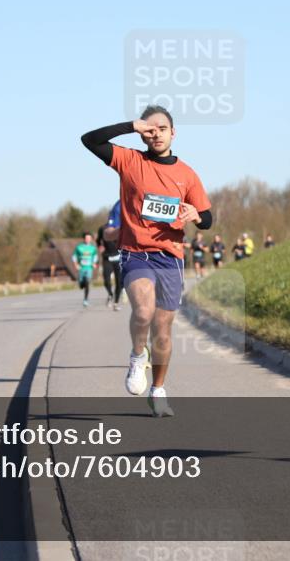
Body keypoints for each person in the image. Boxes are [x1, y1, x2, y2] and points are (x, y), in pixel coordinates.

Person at [81, 105, 213, 417]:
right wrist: (130, 126)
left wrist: (196, 215)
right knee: (143, 310)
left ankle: (158, 388)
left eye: (162, 129)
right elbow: (89, 140)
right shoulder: (130, 161)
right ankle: (137, 355)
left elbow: (207, 217)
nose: (156, 134)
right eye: (150, 130)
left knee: (163, 330)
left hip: (170, 256)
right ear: (144, 133)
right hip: (135, 252)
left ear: (173, 133)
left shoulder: (187, 174)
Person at [97, 200, 124, 311]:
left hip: (118, 257)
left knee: (119, 282)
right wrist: (100, 246)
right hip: (107, 257)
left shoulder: (122, 227)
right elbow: (98, 240)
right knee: (107, 280)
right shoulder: (102, 229)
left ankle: (116, 303)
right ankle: (110, 294)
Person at [72, 233, 99, 308]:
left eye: (89, 238)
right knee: (81, 285)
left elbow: (95, 257)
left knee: (87, 282)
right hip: (81, 268)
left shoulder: (93, 248)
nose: (88, 239)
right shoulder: (79, 247)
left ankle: (85, 300)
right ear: (84, 239)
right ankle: (80, 283)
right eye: (86, 238)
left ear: (91, 239)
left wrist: (94, 263)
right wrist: (76, 265)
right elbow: (74, 256)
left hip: (89, 268)